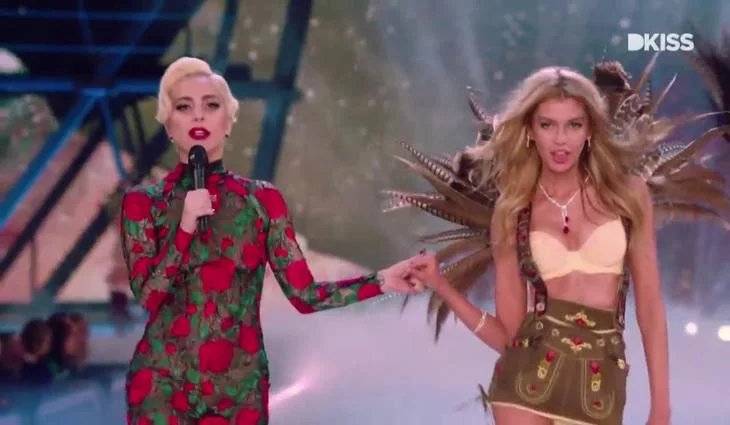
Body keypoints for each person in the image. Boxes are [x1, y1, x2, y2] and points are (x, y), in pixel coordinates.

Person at [120, 56, 424, 425]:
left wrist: (382, 281)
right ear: (168, 122)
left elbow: (304, 295)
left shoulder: (261, 201)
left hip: (238, 388)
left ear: (228, 121)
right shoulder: (143, 204)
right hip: (162, 384)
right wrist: (184, 227)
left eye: (211, 105)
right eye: (184, 107)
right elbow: (149, 296)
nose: (198, 116)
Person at [404, 66, 675, 425]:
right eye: (548, 125)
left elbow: (651, 308)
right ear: (530, 131)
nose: (561, 140)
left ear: (590, 130)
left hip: (599, 389)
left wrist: (661, 407)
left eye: (573, 125)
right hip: (522, 387)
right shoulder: (513, 210)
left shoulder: (628, 194)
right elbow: (507, 335)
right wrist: (442, 285)